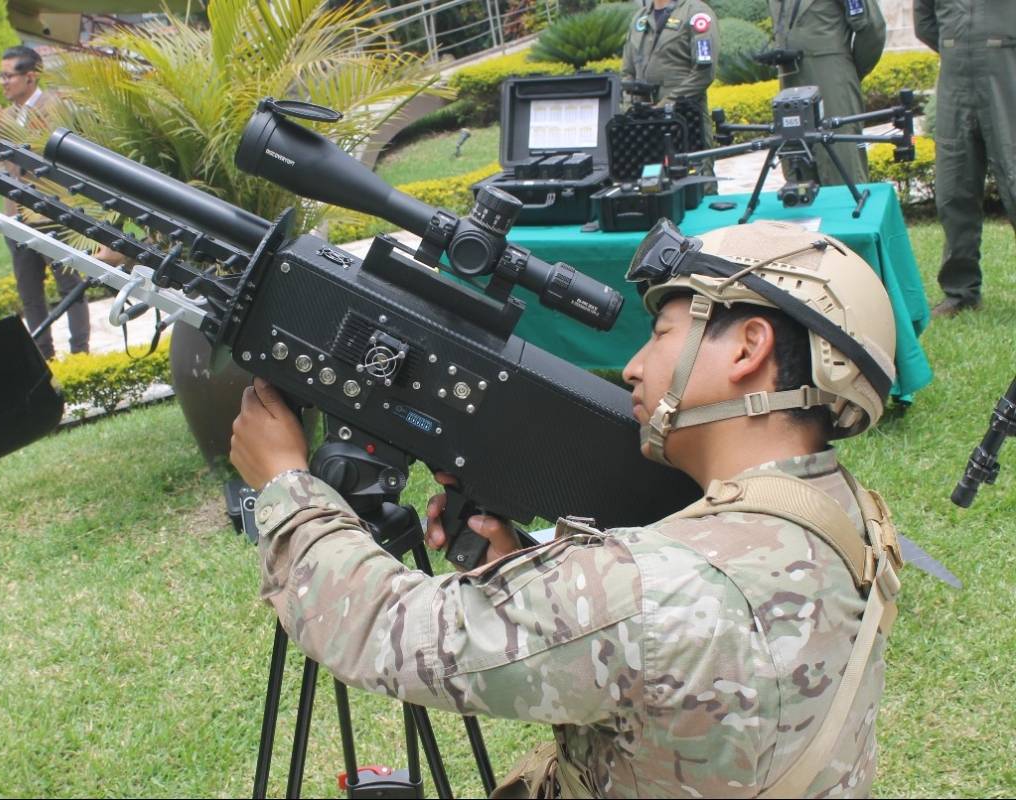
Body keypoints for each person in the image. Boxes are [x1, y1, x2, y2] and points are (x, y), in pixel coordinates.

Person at [229, 219, 904, 797]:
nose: (636, 367)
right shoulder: (842, 512)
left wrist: (286, 482)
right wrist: (531, 569)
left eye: (664, 333)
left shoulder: (643, 589)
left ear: (749, 348)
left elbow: (386, 630)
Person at [0, 44, 90, 358]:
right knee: (30, 295)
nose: (3, 81)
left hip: (54, 212)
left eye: (9, 75)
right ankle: (44, 353)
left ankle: (81, 353)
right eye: (1, 75)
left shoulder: (56, 106)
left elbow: (42, 155)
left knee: (71, 290)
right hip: (17, 217)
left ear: (31, 77)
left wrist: (5, 124)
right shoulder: (6, 114)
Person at [915, 0, 1016, 317]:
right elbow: (925, 22)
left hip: (1007, 76)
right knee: (953, 188)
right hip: (955, 79)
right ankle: (960, 292)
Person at [765, 0, 887, 187]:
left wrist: (848, 72)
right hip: (789, 78)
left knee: (840, 159)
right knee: (796, 161)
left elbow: (871, 29)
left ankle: (847, 213)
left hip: (830, 76)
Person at [621, 0, 720, 184]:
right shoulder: (639, 18)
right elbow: (627, 72)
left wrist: (666, 104)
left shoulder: (696, 13)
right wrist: (630, 108)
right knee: (651, 188)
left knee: (698, 186)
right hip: (643, 124)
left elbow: (704, 71)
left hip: (686, 120)